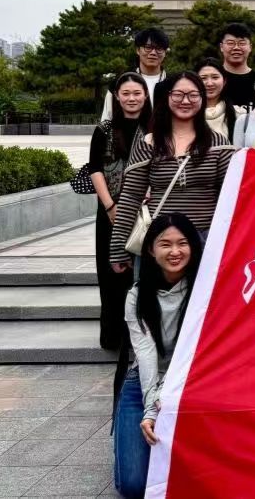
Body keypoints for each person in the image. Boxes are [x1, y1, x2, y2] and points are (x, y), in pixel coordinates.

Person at [113, 212, 204, 499]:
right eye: (165, 244)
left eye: (182, 243)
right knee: (133, 485)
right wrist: (152, 408)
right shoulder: (137, 296)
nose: (175, 251)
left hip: (191, 381)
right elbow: (146, 355)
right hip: (144, 381)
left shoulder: (206, 291)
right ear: (151, 250)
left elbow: (190, 353)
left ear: (194, 246)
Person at [109, 73, 235, 271]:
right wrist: (117, 247)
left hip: (206, 242)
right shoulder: (148, 143)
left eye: (193, 95)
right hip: (160, 243)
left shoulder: (219, 143)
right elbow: (131, 196)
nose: (185, 101)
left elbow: (229, 196)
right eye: (178, 94)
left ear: (202, 99)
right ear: (167, 97)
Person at [90, 72, 151, 351]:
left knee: (141, 272)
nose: (131, 98)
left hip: (145, 209)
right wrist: (110, 206)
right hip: (110, 210)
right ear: (117, 97)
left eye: (137, 93)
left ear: (146, 95)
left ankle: (142, 333)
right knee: (111, 273)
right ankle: (113, 336)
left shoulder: (155, 128)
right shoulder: (104, 129)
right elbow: (95, 169)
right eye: (126, 93)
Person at [100, 28, 169, 122]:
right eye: (148, 47)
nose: (153, 53)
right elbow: (106, 120)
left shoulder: (173, 84)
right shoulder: (119, 84)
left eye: (159, 48)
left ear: (165, 53)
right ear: (138, 50)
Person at [196, 58, 242, 141]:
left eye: (215, 77)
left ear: (224, 81)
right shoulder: (185, 114)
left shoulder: (239, 115)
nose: (209, 83)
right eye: (203, 78)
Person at [218, 23, 255, 108]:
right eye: (230, 43)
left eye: (242, 43)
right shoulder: (214, 79)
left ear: (250, 47)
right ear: (221, 47)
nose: (236, 48)